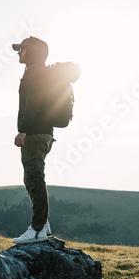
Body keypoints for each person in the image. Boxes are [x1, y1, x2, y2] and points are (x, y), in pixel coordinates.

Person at [10, 36, 81, 244]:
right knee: (34, 178)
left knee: (34, 179)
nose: (19, 52)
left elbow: (33, 104)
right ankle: (44, 223)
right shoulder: (38, 72)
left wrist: (23, 130)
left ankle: (38, 227)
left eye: (21, 49)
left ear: (31, 52)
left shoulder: (35, 72)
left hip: (35, 134)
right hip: (44, 134)